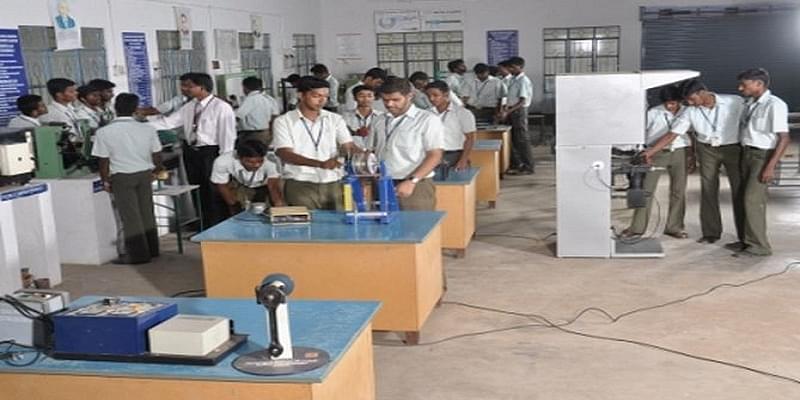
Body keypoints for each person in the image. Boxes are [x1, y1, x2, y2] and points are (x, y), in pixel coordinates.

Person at [644, 79, 745, 245]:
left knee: (739, 191)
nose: (690, 103)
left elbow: (748, 122)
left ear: (702, 92)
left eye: (692, 99)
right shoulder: (691, 111)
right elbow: (673, 134)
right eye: (687, 101)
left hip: (732, 148)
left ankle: (745, 237)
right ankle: (711, 233)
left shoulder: (734, 102)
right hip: (707, 150)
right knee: (708, 190)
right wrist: (651, 151)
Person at [154, 72, 237, 227]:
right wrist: (139, 126)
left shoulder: (221, 107)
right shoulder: (190, 106)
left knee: (214, 189)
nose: (184, 89)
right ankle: (204, 223)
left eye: (188, 86)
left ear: (202, 87)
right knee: (197, 189)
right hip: (191, 151)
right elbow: (168, 122)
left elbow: (227, 135)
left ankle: (219, 224)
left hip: (211, 152)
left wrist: (225, 160)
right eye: (182, 86)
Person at [92, 93, 162, 265]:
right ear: (136, 109)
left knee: (131, 217)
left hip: (122, 177)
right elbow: (157, 154)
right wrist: (157, 171)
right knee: (147, 212)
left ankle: (138, 256)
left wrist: (105, 180)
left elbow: (103, 160)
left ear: (116, 108)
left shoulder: (104, 132)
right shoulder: (148, 129)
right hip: (145, 174)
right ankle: (153, 250)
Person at [272, 76, 356, 210]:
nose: (322, 100)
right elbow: (285, 153)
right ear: (301, 95)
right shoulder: (284, 121)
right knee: (306, 221)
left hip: (334, 182)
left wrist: (358, 153)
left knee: (342, 220)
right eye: (316, 96)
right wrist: (319, 164)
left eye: (326, 96)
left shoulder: (335, 119)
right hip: (301, 183)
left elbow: (348, 145)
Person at [734, 68, 790, 256]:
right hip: (747, 153)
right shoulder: (751, 104)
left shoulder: (775, 105)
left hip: (762, 156)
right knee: (742, 198)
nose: (740, 88)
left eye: (744, 84)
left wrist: (770, 166)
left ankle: (759, 246)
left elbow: (784, 138)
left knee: (752, 200)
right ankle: (745, 241)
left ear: (759, 84)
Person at [625, 85, 692, 239]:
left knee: (678, 191)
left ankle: (675, 227)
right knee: (647, 190)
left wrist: (691, 155)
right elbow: (640, 134)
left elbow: (691, 134)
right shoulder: (653, 112)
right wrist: (645, 153)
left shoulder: (687, 112)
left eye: (673, 103)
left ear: (680, 101)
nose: (669, 106)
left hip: (679, 152)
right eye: (666, 103)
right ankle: (637, 228)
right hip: (655, 153)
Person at [366, 77, 443, 211]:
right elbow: (370, 151)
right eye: (385, 100)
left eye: (396, 100)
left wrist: (412, 181)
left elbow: (435, 155)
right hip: (382, 182)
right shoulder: (378, 120)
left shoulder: (427, 120)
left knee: (415, 222)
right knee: (383, 222)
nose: (390, 104)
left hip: (415, 183)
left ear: (410, 96)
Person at [211, 139, 284, 217]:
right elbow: (222, 185)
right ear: (239, 158)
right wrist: (234, 207)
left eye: (260, 161)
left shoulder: (272, 160)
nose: (256, 165)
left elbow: (273, 186)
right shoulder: (222, 161)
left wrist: (279, 208)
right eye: (251, 162)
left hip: (266, 184)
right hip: (241, 183)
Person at [425, 80, 476, 171]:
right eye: (428, 96)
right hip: (431, 156)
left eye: (435, 95)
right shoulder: (426, 114)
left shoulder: (462, 113)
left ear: (446, 94)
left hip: (455, 155)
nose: (431, 99)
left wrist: (463, 159)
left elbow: (470, 138)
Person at [498, 57, 534, 175]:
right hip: (511, 111)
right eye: (510, 67)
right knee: (513, 139)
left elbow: (522, 101)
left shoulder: (523, 80)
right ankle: (519, 164)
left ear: (520, 67)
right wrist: (505, 109)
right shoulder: (513, 79)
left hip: (519, 112)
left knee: (522, 140)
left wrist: (508, 111)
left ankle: (528, 166)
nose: (511, 70)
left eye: (513, 67)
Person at [236, 76, 280, 144]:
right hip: (266, 132)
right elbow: (275, 116)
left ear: (245, 88)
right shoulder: (268, 99)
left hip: (252, 135)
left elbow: (238, 116)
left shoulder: (250, 99)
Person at [341, 85, 383, 149]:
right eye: (361, 96)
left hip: (375, 152)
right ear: (354, 98)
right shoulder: (345, 117)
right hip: (352, 151)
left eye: (369, 96)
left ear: (374, 97)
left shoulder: (381, 117)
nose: (366, 99)